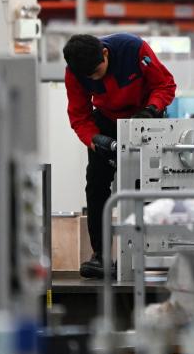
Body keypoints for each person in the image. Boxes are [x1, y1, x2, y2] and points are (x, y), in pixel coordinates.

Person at [63, 33, 177, 279]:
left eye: (96, 71)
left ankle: (152, 253)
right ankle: (101, 256)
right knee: (96, 185)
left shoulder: (134, 49)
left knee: (149, 184)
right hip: (107, 122)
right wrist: (95, 141)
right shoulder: (75, 72)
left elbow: (165, 84)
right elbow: (80, 116)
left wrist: (151, 110)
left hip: (145, 117)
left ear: (105, 53)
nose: (94, 78)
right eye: (88, 76)